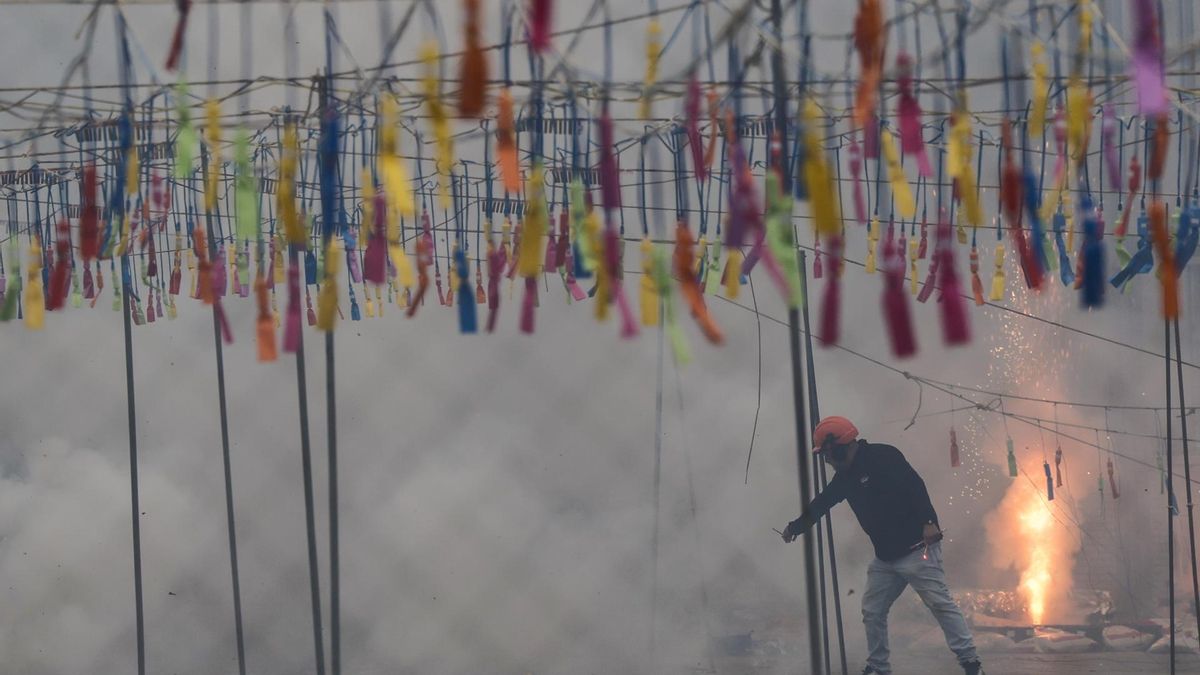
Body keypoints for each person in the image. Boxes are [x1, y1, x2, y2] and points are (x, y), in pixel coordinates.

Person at [780, 416, 984, 675]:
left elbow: (915, 486)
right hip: (886, 558)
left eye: (827, 455)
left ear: (840, 448)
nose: (827, 461)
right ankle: (878, 667)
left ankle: (971, 664)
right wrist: (795, 528)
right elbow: (822, 503)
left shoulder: (884, 456)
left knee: (940, 604)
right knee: (872, 610)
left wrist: (929, 521)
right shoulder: (845, 478)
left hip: (916, 549)